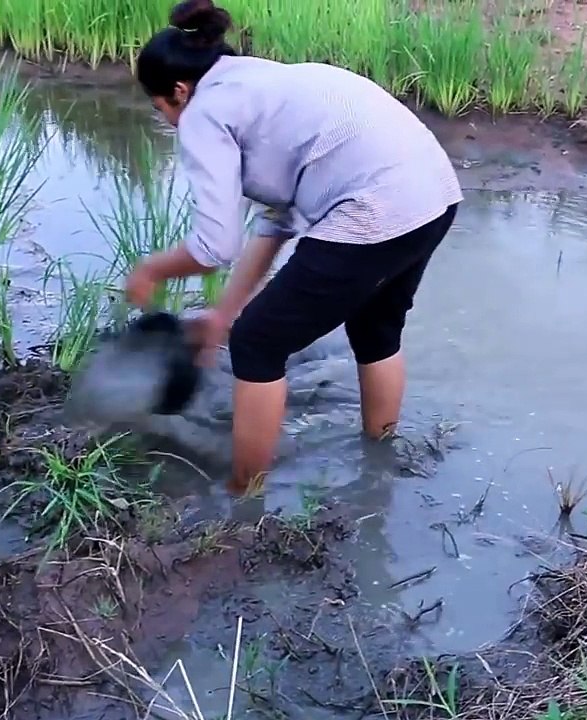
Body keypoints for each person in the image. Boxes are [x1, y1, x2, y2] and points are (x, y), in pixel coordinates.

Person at [124, 0, 463, 496]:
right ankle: (380, 460)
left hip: (375, 204)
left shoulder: (203, 113)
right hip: (435, 194)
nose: (171, 123)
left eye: (162, 110)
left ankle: (245, 494)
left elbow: (215, 246)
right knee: (375, 327)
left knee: (257, 343)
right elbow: (278, 221)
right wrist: (222, 316)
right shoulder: (257, 81)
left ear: (179, 91)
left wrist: (151, 271)